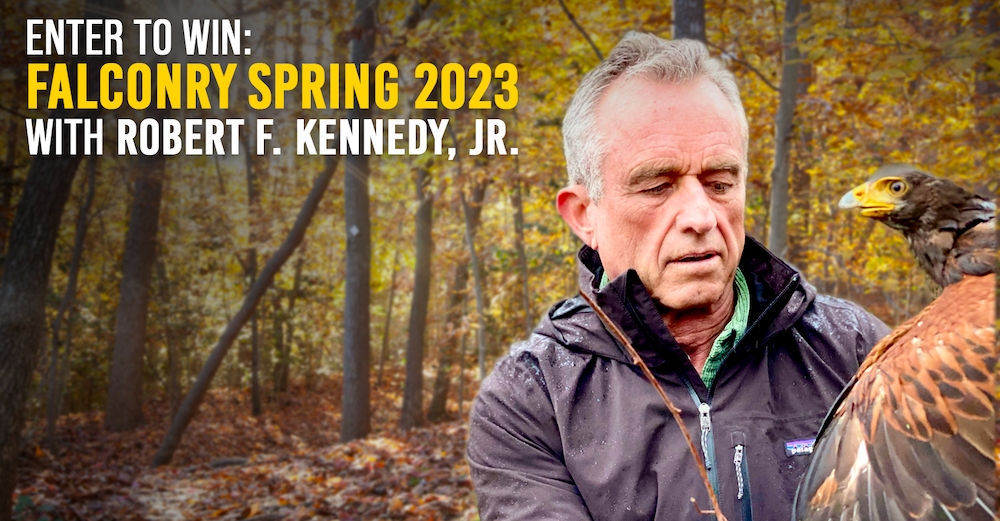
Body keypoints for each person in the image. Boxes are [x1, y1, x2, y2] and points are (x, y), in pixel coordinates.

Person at [466, 33, 891, 520]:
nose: (701, 216)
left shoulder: (855, 353)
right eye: (657, 186)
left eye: (720, 183)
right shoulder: (532, 399)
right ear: (584, 215)